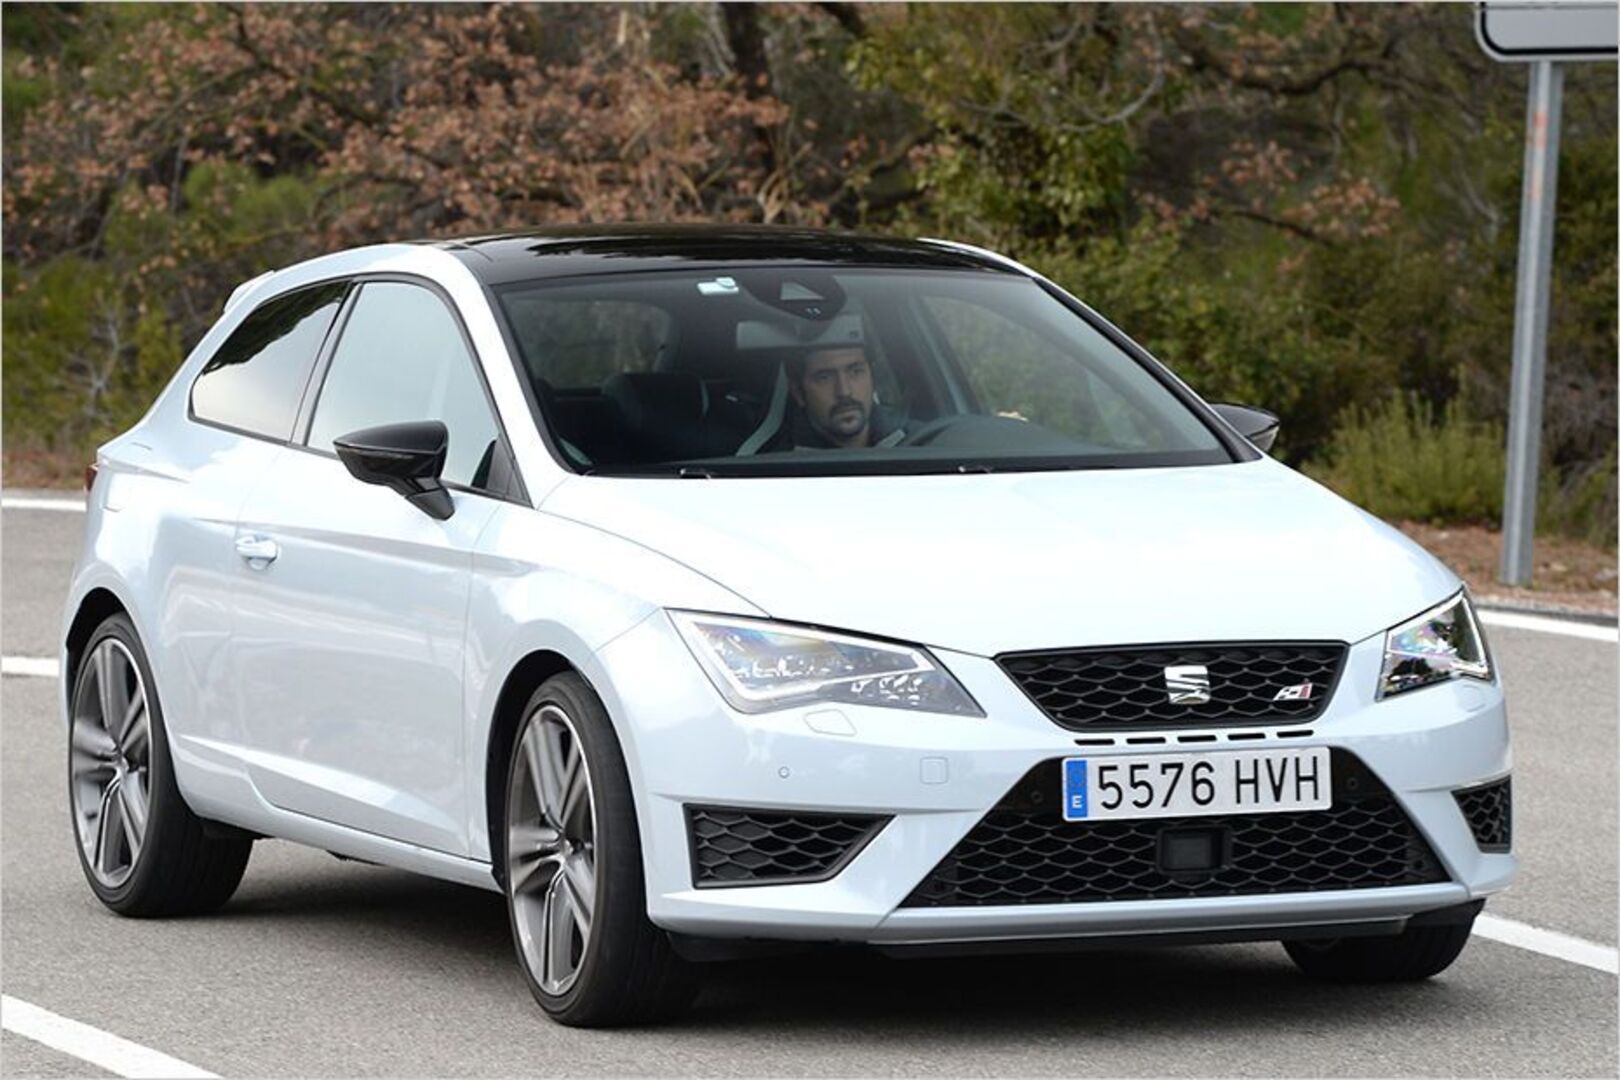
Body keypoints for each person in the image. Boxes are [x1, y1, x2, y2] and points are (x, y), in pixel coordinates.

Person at [777, 344, 906, 450]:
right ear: (798, 393)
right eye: (824, 378)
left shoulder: (914, 442)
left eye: (855, 372)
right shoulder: (779, 461)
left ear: (873, 379)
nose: (844, 391)